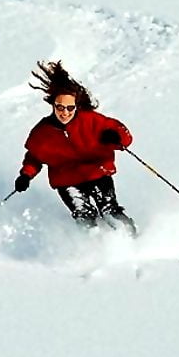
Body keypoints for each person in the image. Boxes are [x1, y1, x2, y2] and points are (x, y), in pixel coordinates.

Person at [11, 61, 137, 235]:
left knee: (109, 210)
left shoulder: (91, 120)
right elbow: (34, 157)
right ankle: (94, 247)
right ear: (53, 106)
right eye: (60, 107)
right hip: (67, 180)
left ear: (76, 106)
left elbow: (122, 133)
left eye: (70, 108)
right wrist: (25, 175)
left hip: (97, 171)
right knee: (83, 215)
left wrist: (116, 137)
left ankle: (129, 237)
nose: (65, 112)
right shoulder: (43, 132)